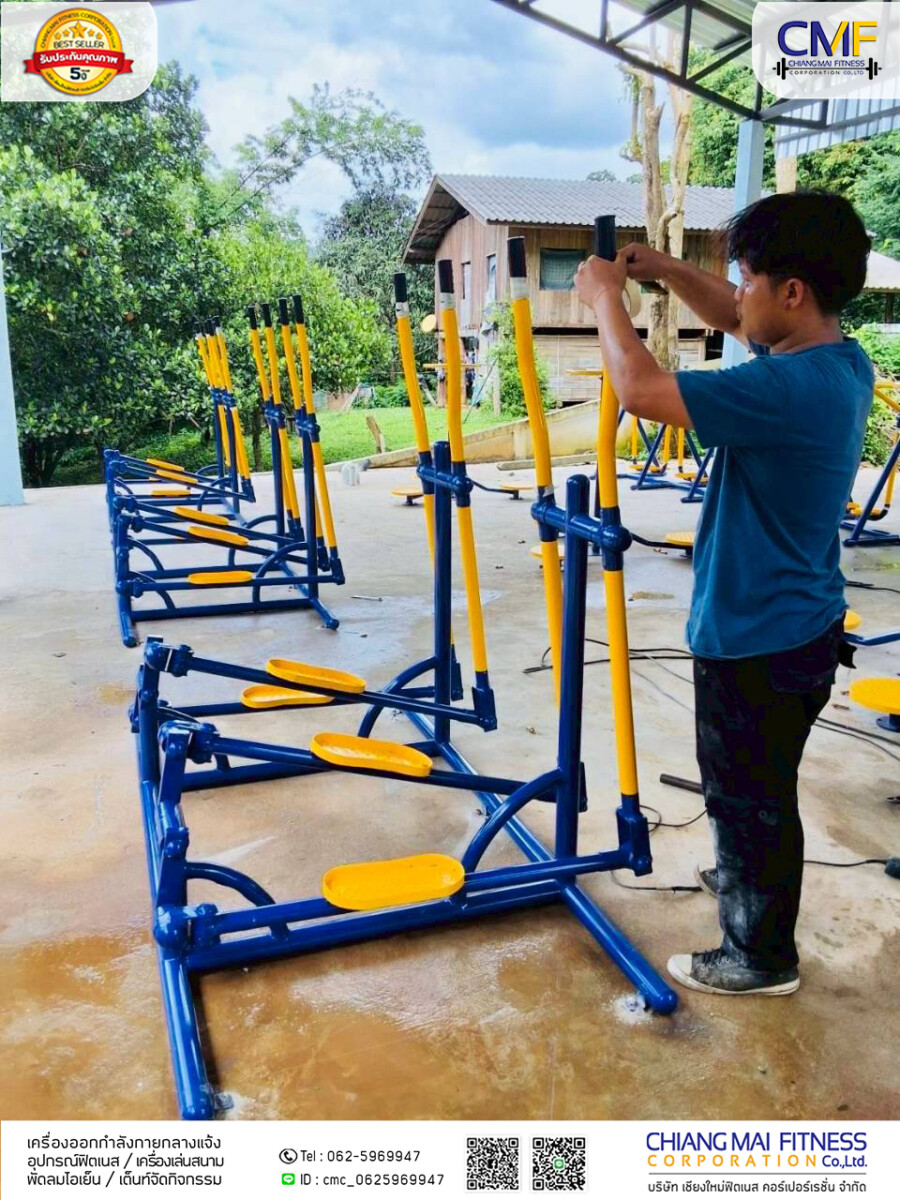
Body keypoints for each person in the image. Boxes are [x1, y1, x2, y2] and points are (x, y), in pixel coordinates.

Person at [573, 192, 873, 997]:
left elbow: (641, 390)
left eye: (749, 280)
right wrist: (667, 270)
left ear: (793, 292)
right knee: (756, 788)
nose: (738, 297)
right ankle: (750, 878)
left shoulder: (784, 389)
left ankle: (758, 953)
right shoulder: (839, 362)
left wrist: (604, 298)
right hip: (797, 624)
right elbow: (741, 319)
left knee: (750, 797)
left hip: (758, 636)